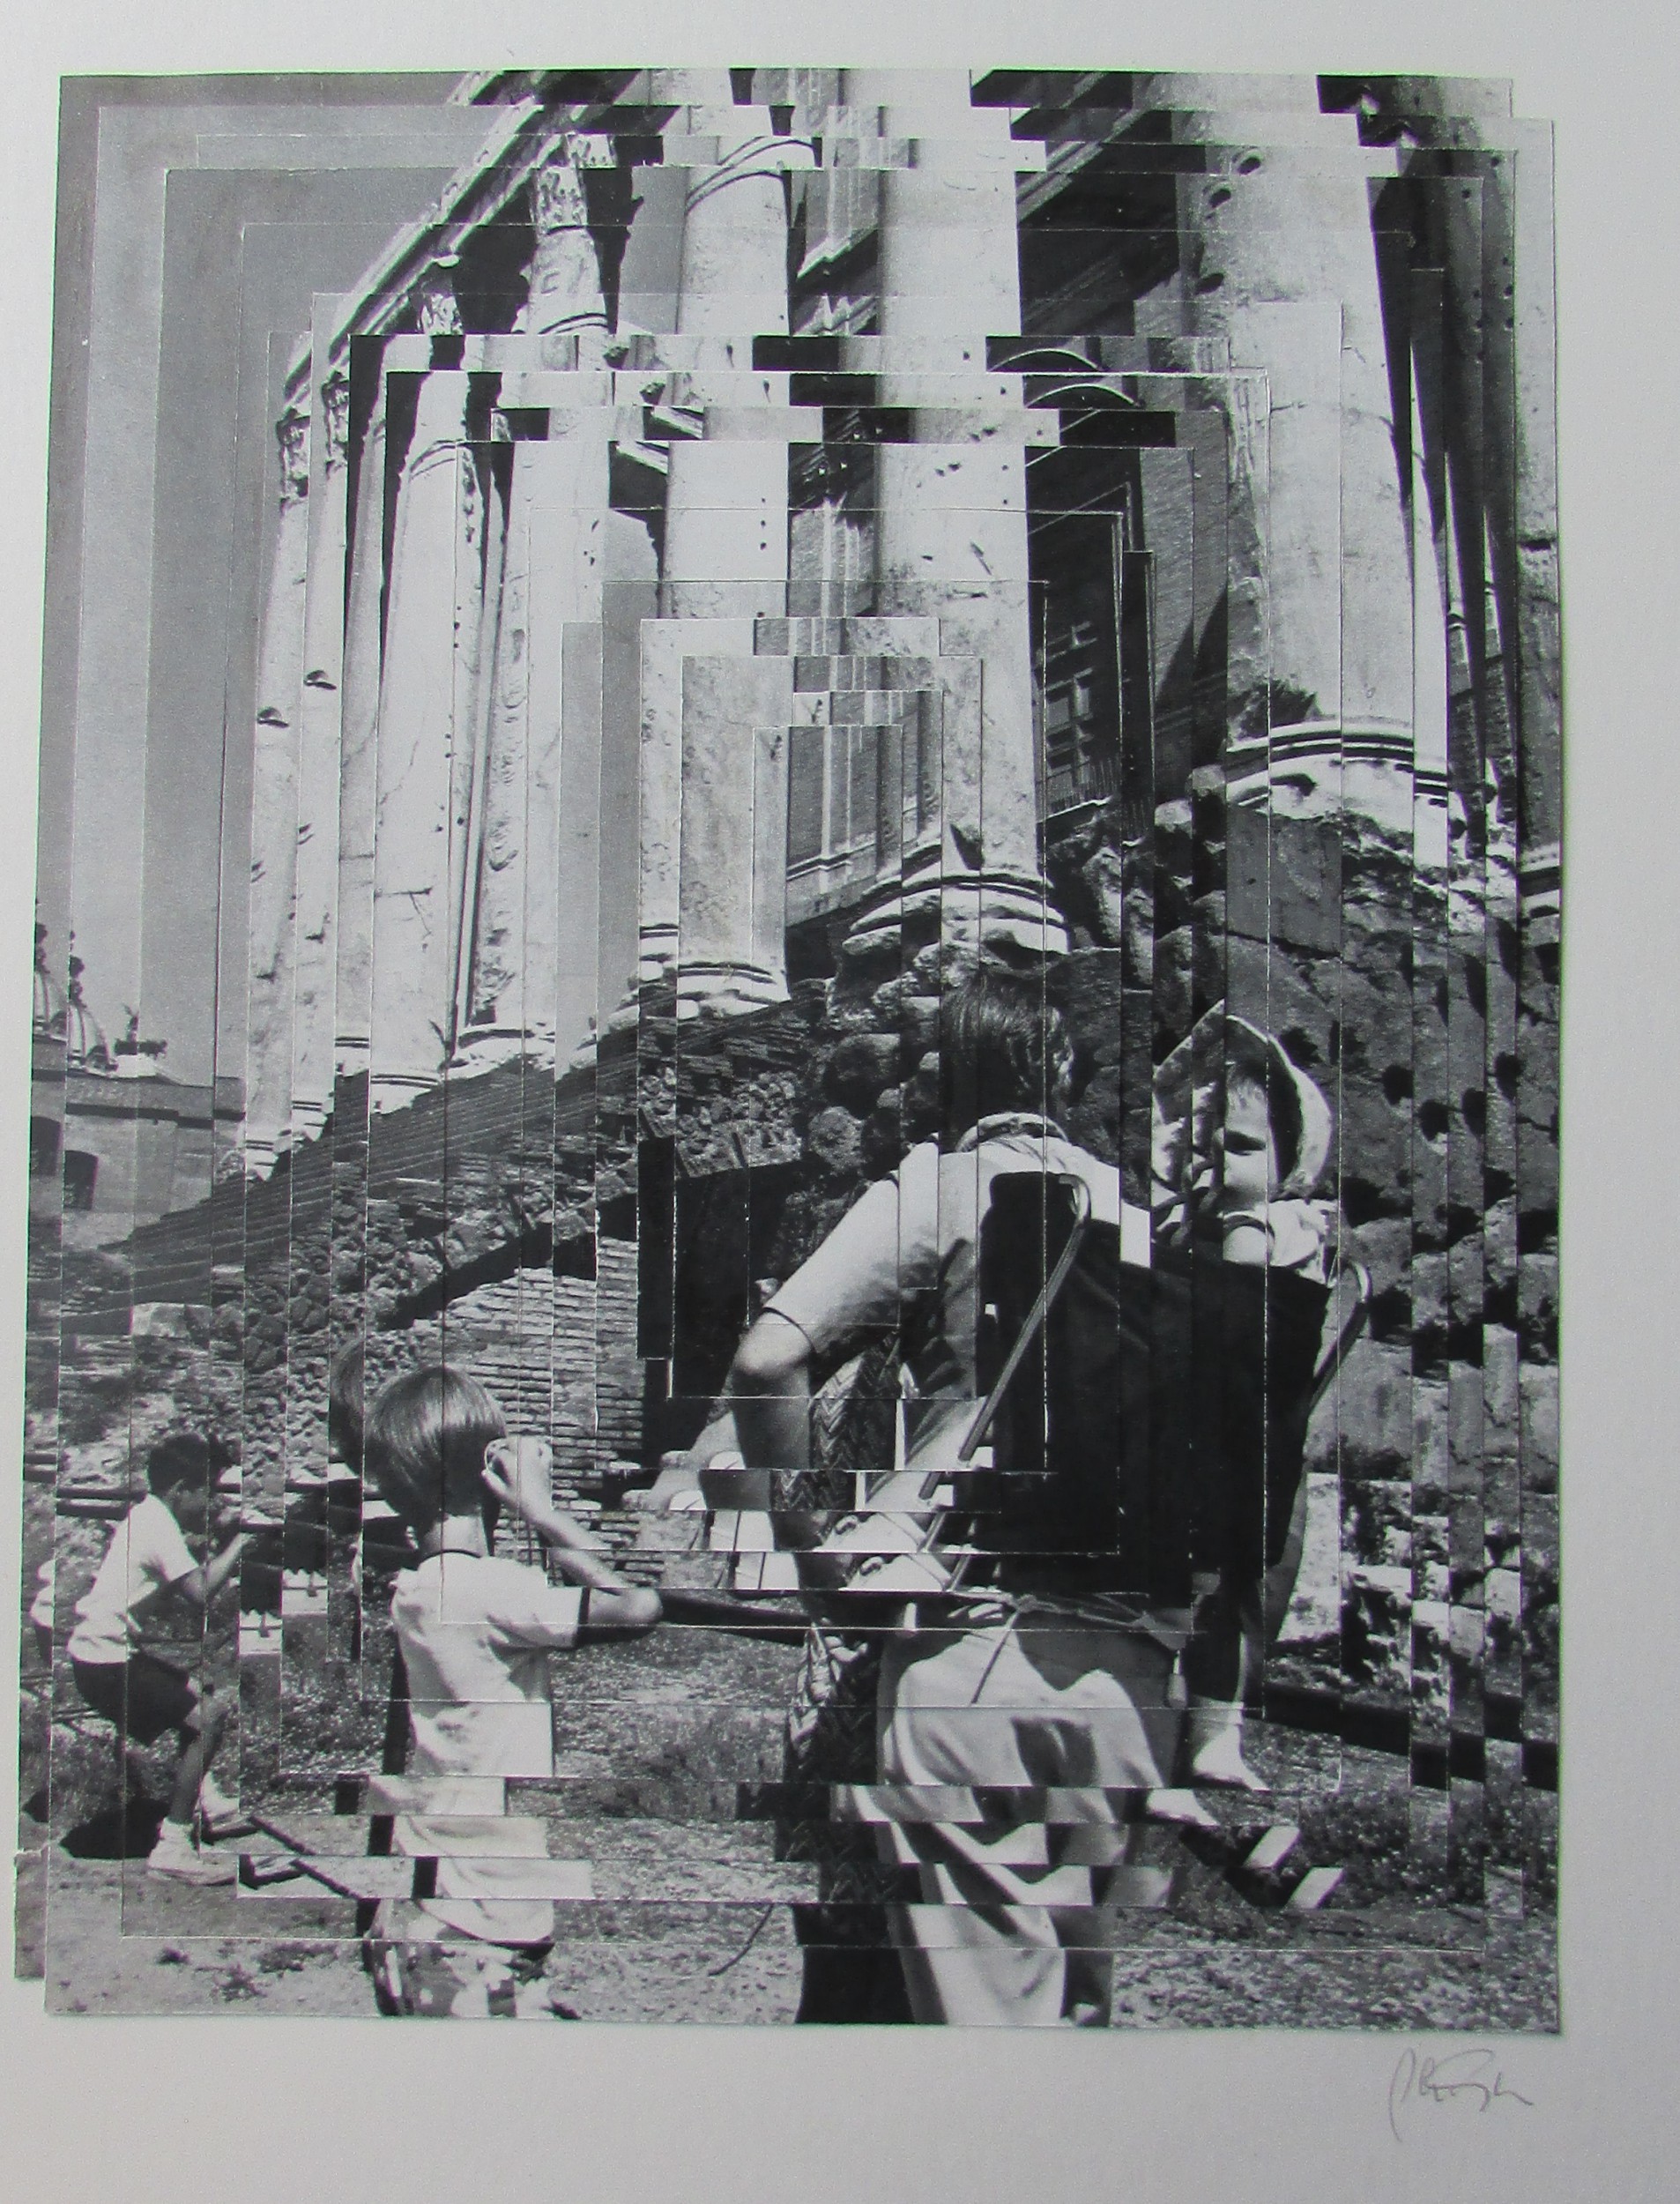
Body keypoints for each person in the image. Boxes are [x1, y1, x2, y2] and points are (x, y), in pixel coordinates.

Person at [727, 969, 1188, 2027]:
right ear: (1061, 1069)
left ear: (948, 1077)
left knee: (973, 2018)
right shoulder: (1141, 1214)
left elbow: (764, 1361)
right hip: (1119, 1667)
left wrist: (809, 1536)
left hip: (964, 1638)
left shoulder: (938, 1186)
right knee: (1077, 2011)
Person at [360, 1364, 661, 2018]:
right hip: (486, 1920)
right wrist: (541, 1509)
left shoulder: (416, 1589)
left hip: (423, 1899)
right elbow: (638, 1606)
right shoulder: (495, 1591)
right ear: (485, 1473)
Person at [1152, 1008, 1335, 1790]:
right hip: (1192, 1420)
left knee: (1232, 1587)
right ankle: (1166, 1716)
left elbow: (1243, 1304)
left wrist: (1232, 1220)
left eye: (1243, 1148)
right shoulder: (1187, 1222)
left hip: (1247, 1425)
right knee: (1177, 1580)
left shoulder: (1280, 1226)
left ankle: (1215, 1731)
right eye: (1202, 1147)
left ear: (1293, 1159)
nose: (1215, 1166)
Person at [66, 1431, 246, 1884]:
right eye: (207, 1491)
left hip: (99, 1653)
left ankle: (206, 1800)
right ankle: (173, 1846)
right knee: (208, 1719)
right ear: (180, 1490)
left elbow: (186, 1562)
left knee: (197, 1691)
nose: (210, 1502)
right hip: (105, 1663)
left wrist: (222, 1533)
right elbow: (200, 1592)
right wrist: (242, 1541)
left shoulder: (148, 1514)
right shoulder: (158, 1528)